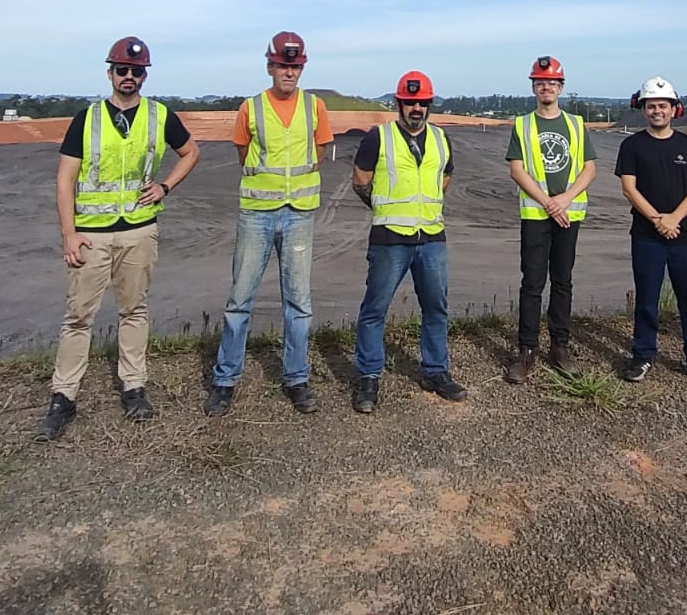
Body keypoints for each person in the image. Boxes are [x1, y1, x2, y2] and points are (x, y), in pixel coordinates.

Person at [36, 36, 201, 441]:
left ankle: (133, 388)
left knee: (134, 310)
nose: (130, 76)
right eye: (123, 70)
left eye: (137, 71)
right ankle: (64, 396)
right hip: (91, 236)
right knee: (78, 316)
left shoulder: (159, 115)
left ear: (145, 76)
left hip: (138, 231)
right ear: (110, 73)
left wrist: (164, 187)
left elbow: (191, 152)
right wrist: (69, 234)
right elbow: (64, 180)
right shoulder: (86, 119)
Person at [205, 31, 333, 417]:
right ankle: (226, 380)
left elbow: (320, 149)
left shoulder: (315, 106)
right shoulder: (251, 108)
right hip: (257, 214)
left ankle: (297, 379)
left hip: (299, 214)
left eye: (295, 66)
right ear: (270, 67)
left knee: (298, 301)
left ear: (302, 68)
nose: (289, 72)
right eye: (282, 65)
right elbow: (243, 152)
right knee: (240, 299)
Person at [348, 71, 468, 413]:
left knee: (436, 308)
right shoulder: (379, 137)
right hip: (389, 239)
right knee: (375, 309)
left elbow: (445, 177)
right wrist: (384, 208)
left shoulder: (441, 138)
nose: (416, 108)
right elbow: (360, 180)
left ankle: (436, 371)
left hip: (431, 237)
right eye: (410, 102)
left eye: (422, 103)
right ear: (399, 104)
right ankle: (368, 377)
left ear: (429, 105)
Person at [615, 76, 687, 387]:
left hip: (684, 236)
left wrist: (673, 218)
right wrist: (657, 220)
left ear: (675, 109)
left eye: (663, 105)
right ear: (642, 109)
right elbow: (629, 189)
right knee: (647, 299)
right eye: (651, 106)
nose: (657, 111)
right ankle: (643, 355)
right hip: (646, 236)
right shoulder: (632, 145)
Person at [504, 54, 597, 382]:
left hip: (568, 215)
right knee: (532, 283)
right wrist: (548, 202)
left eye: (552, 83)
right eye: (540, 83)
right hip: (535, 215)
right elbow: (517, 169)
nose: (546, 88)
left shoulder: (576, 124)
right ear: (534, 88)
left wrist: (564, 200)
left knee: (562, 281)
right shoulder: (522, 125)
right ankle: (527, 350)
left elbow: (589, 168)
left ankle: (560, 346)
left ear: (561, 87)